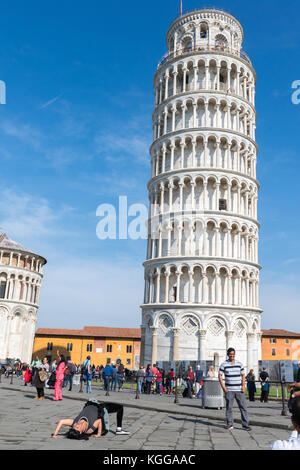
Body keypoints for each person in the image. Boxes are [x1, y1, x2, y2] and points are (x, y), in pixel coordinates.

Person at [51, 399, 130, 439]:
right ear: (81, 432)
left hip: (93, 403)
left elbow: (61, 421)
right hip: (101, 408)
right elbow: (99, 421)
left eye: (74, 427)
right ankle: (119, 430)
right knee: (120, 407)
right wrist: (98, 434)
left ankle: (119, 429)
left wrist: (55, 434)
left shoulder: (74, 423)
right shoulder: (89, 429)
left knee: (119, 407)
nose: (76, 426)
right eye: (77, 429)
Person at [218, 348, 251, 431]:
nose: (232, 356)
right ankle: (229, 423)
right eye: (230, 354)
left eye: (233, 354)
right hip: (229, 390)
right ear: (228, 354)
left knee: (243, 407)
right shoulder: (223, 364)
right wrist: (223, 387)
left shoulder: (239, 364)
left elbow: (243, 375)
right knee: (229, 407)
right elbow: (220, 376)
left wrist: (243, 386)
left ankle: (245, 424)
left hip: (239, 389)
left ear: (234, 354)